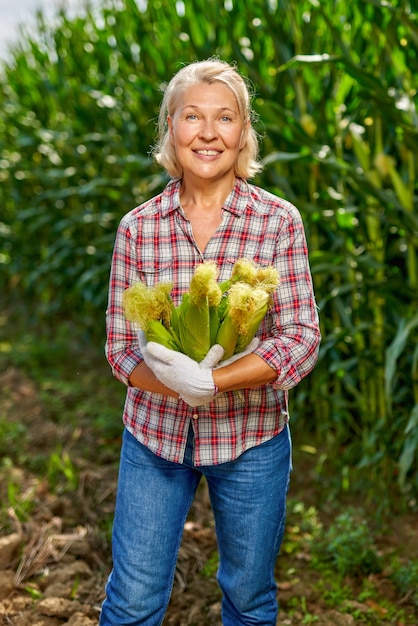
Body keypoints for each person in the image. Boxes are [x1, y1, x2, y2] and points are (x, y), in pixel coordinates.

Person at [100, 58, 321, 626]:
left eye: (225, 118)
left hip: (251, 439)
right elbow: (122, 349)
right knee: (132, 602)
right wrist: (176, 384)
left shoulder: (277, 221)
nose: (207, 132)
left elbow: (300, 336)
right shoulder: (138, 228)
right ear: (170, 129)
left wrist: (214, 381)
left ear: (243, 133)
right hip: (154, 439)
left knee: (249, 600)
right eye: (191, 116)